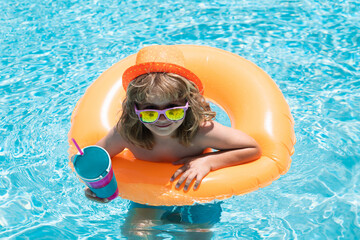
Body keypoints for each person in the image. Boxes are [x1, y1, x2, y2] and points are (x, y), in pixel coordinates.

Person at [85, 45, 261, 202]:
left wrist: (209, 162)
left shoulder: (200, 131)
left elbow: (252, 149)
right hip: (148, 195)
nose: (163, 119)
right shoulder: (127, 133)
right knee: (136, 231)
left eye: (173, 110)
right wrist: (98, 187)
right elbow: (96, 160)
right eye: (150, 112)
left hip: (198, 194)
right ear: (134, 110)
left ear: (188, 105)